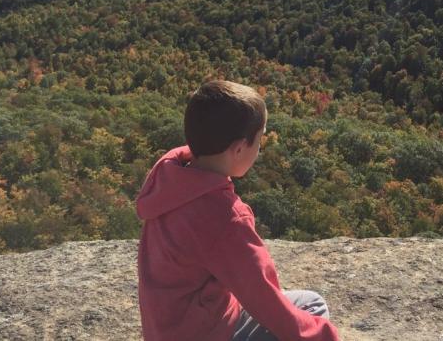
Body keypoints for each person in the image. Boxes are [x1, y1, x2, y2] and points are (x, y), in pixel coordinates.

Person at [137, 79, 340, 341]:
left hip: (168, 329)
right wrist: (325, 335)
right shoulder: (226, 218)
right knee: (313, 308)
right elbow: (266, 299)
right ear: (240, 149)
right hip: (206, 333)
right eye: (259, 140)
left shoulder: (168, 180)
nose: (259, 149)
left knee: (306, 302)